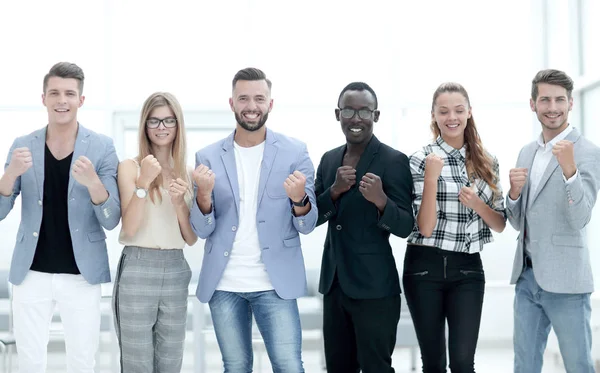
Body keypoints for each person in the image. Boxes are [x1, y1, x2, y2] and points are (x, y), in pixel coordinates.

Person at [189, 67, 317, 372]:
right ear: (231, 103)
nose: (251, 105)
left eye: (259, 98)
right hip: (225, 283)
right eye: (243, 98)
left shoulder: (295, 152)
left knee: (288, 365)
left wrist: (299, 198)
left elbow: (306, 225)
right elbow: (201, 229)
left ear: (270, 103)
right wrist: (203, 196)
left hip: (275, 283)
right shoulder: (207, 156)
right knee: (235, 366)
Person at [0, 62, 121, 373]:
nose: (61, 100)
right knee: (30, 361)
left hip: (82, 275)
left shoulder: (102, 147)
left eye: (69, 93)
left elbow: (111, 218)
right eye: (54, 93)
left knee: (82, 362)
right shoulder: (22, 146)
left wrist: (94, 182)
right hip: (31, 273)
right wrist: (10, 174)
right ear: (43, 98)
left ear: (81, 100)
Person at [404, 82, 506, 373]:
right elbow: (424, 228)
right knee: (434, 363)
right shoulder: (420, 159)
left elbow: (498, 224)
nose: (452, 117)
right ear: (434, 115)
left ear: (469, 113)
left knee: (463, 363)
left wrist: (476, 204)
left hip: (468, 269)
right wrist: (433, 179)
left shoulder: (487, 161)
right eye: (444, 111)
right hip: (424, 267)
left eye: (459, 110)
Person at [314, 82, 414, 373]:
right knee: (337, 367)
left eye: (364, 111)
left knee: (376, 368)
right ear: (338, 114)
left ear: (376, 115)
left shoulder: (393, 160)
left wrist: (381, 201)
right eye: (348, 110)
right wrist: (333, 191)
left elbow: (406, 225)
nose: (356, 118)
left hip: (375, 289)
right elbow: (313, 218)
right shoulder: (329, 160)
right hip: (334, 286)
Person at [508, 69, 600, 373]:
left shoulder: (587, 152)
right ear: (533, 104)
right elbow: (518, 223)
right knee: (525, 366)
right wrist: (513, 193)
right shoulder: (526, 152)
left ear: (571, 103)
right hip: (527, 279)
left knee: (578, 366)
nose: (552, 107)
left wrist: (570, 172)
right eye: (545, 99)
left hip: (568, 284)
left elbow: (581, 218)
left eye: (560, 99)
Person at [113, 92, 196, 373]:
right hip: (138, 266)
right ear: (144, 126)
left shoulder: (186, 172)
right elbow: (130, 227)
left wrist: (179, 204)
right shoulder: (129, 167)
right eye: (154, 121)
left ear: (178, 125)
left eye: (168, 120)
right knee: (137, 363)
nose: (162, 127)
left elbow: (191, 238)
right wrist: (143, 183)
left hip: (175, 268)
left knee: (171, 362)